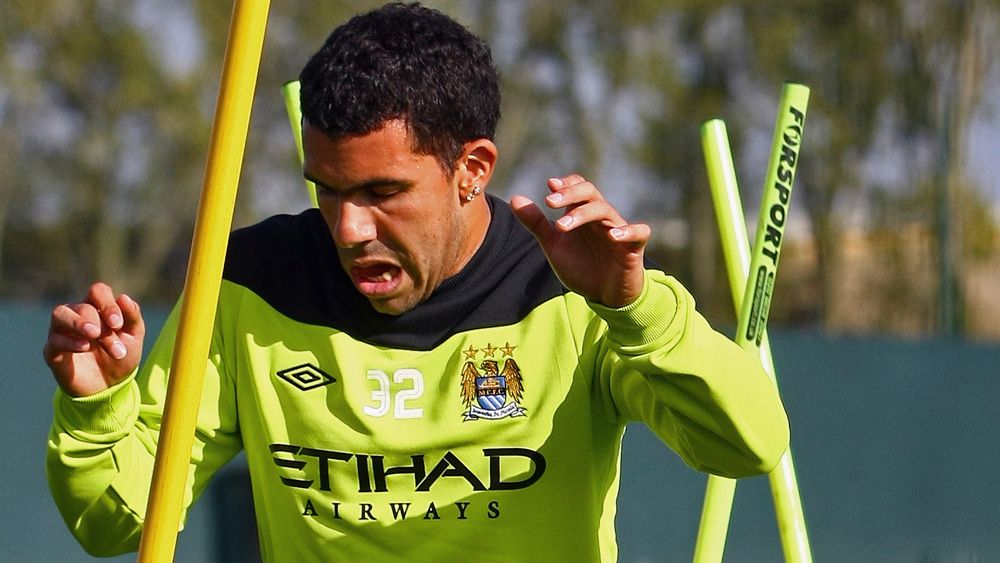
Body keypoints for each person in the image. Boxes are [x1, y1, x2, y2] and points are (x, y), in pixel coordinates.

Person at [43, 3, 789, 561]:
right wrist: (97, 407)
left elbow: (748, 446)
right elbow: (116, 522)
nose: (349, 229)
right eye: (329, 190)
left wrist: (637, 308)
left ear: (472, 169)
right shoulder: (248, 282)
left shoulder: (571, 286)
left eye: (383, 192)